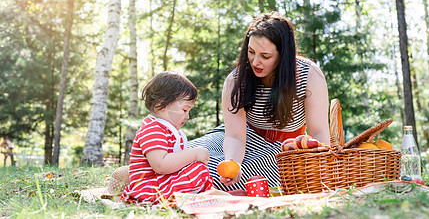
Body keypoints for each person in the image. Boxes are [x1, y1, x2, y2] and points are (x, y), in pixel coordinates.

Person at [188, 11, 330, 191]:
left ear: (283, 55)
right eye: (251, 52)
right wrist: (232, 163)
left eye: (265, 56)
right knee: (182, 156)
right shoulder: (236, 80)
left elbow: (318, 132)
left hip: (284, 149)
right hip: (239, 138)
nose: (255, 62)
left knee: (211, 179)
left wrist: (323, 169)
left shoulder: (309, 75)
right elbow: (234, 136)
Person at [121, 71, 213, 205]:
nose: (187, 116)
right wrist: (194, 154)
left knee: (198, 168)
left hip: (161, 183)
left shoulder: (168, 130)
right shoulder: (152, 129)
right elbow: (161, 165)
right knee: (198, 170)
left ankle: (206, 194)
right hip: (148, 189)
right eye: (184, 110)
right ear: (161, 104)